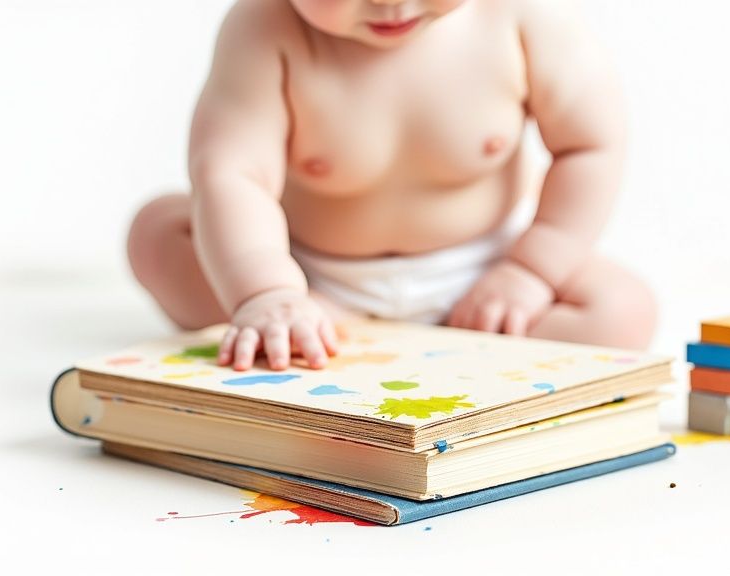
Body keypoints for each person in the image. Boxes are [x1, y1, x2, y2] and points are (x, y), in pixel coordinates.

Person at [127, 0, 656, 372]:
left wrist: (530, 270)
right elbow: (235, 172)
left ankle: (445, 345)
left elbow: (590, 146)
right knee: (157, 232)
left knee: (623, 310)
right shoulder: (263, 27)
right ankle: (301, 327)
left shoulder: (524, 16)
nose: (389, 1)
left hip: (484, 274)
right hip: (309, 276)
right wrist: (267, 290)